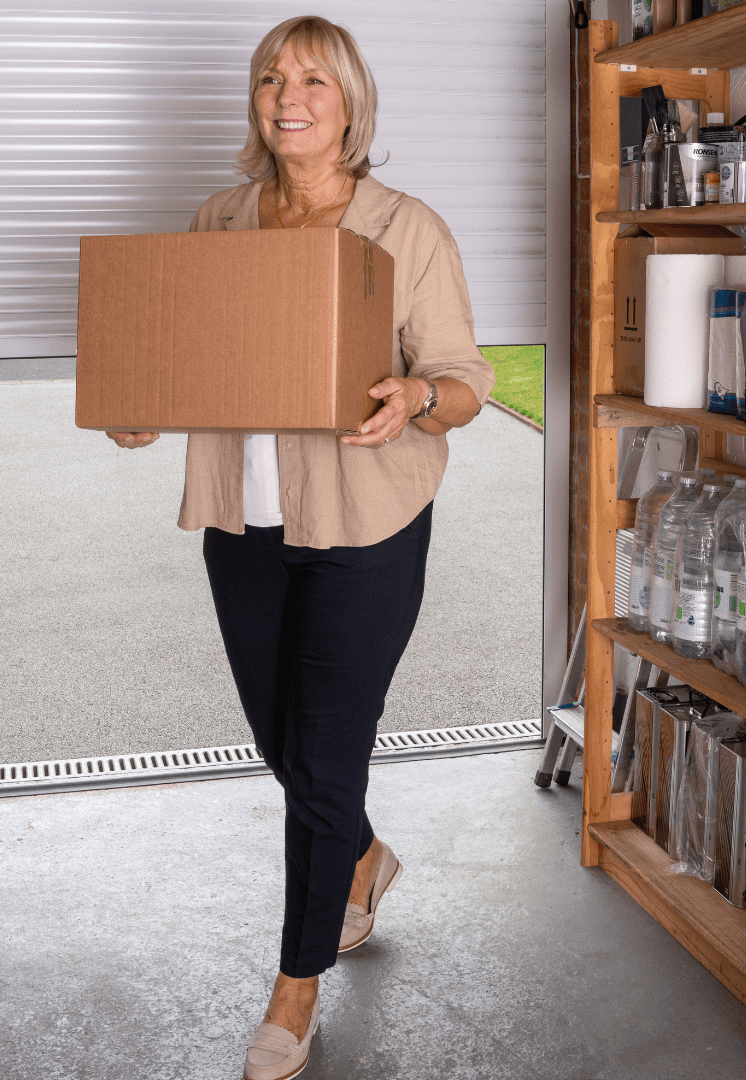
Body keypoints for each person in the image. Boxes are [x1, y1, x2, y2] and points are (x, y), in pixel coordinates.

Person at [105, 15, 493, 1080]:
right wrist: (145, 405)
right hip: (245, 526)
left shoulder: (405, 228)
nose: (290, 94)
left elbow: (465, 377)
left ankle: (296, 984)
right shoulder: (220, 220)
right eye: (273, 75)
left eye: (314, 77)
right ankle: (363, 855)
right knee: (284, 743)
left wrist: (420, 396)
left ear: (351, 101)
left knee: (324, 756)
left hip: (367, 528)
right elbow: (195, 364)